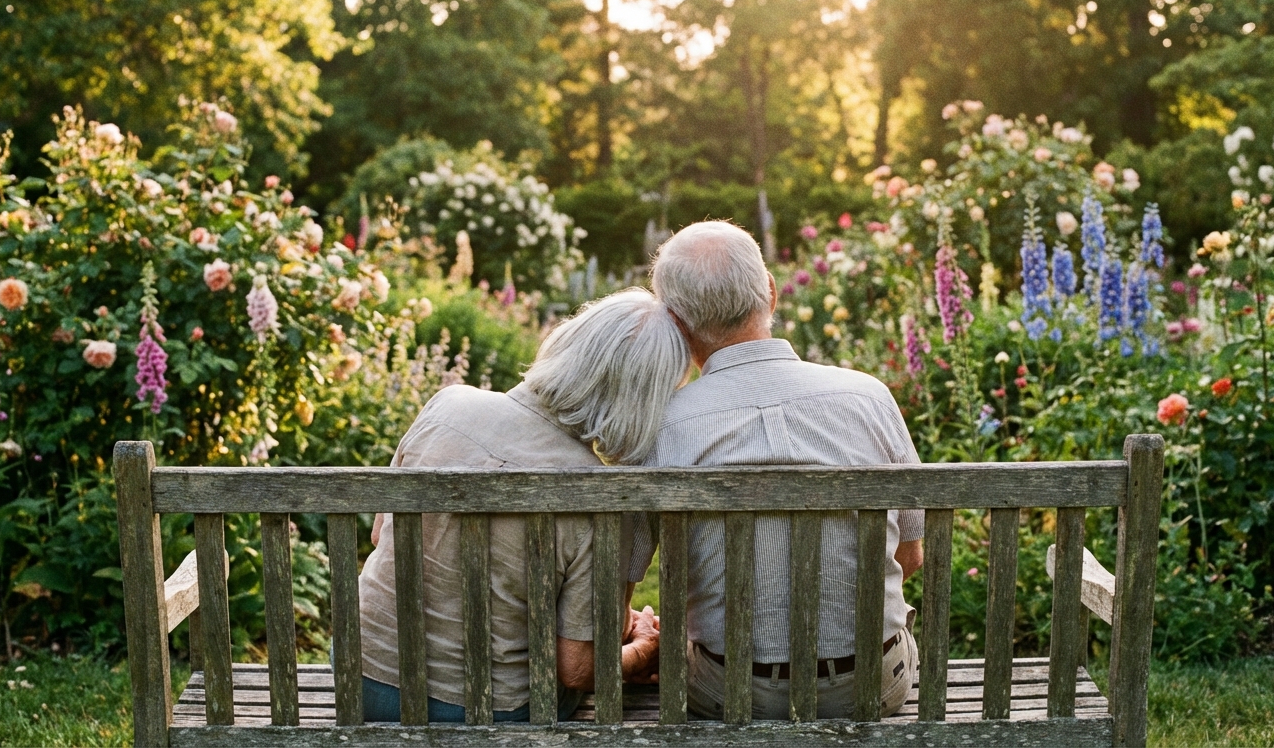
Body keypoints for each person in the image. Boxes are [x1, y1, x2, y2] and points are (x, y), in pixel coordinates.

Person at [634, 220, 925, 720]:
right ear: (770, 291)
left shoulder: (662, 426)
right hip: (870, 687)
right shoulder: (867, 396)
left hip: (730, 692)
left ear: (675, 322)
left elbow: (621, 573)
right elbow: (911, 555)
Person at [356, 287, 689, 722]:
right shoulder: (601, 497)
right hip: (481, 710)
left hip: (360, 676)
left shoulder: (447, 404)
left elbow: (383, 533)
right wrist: (641, 651)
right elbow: (577, 669)